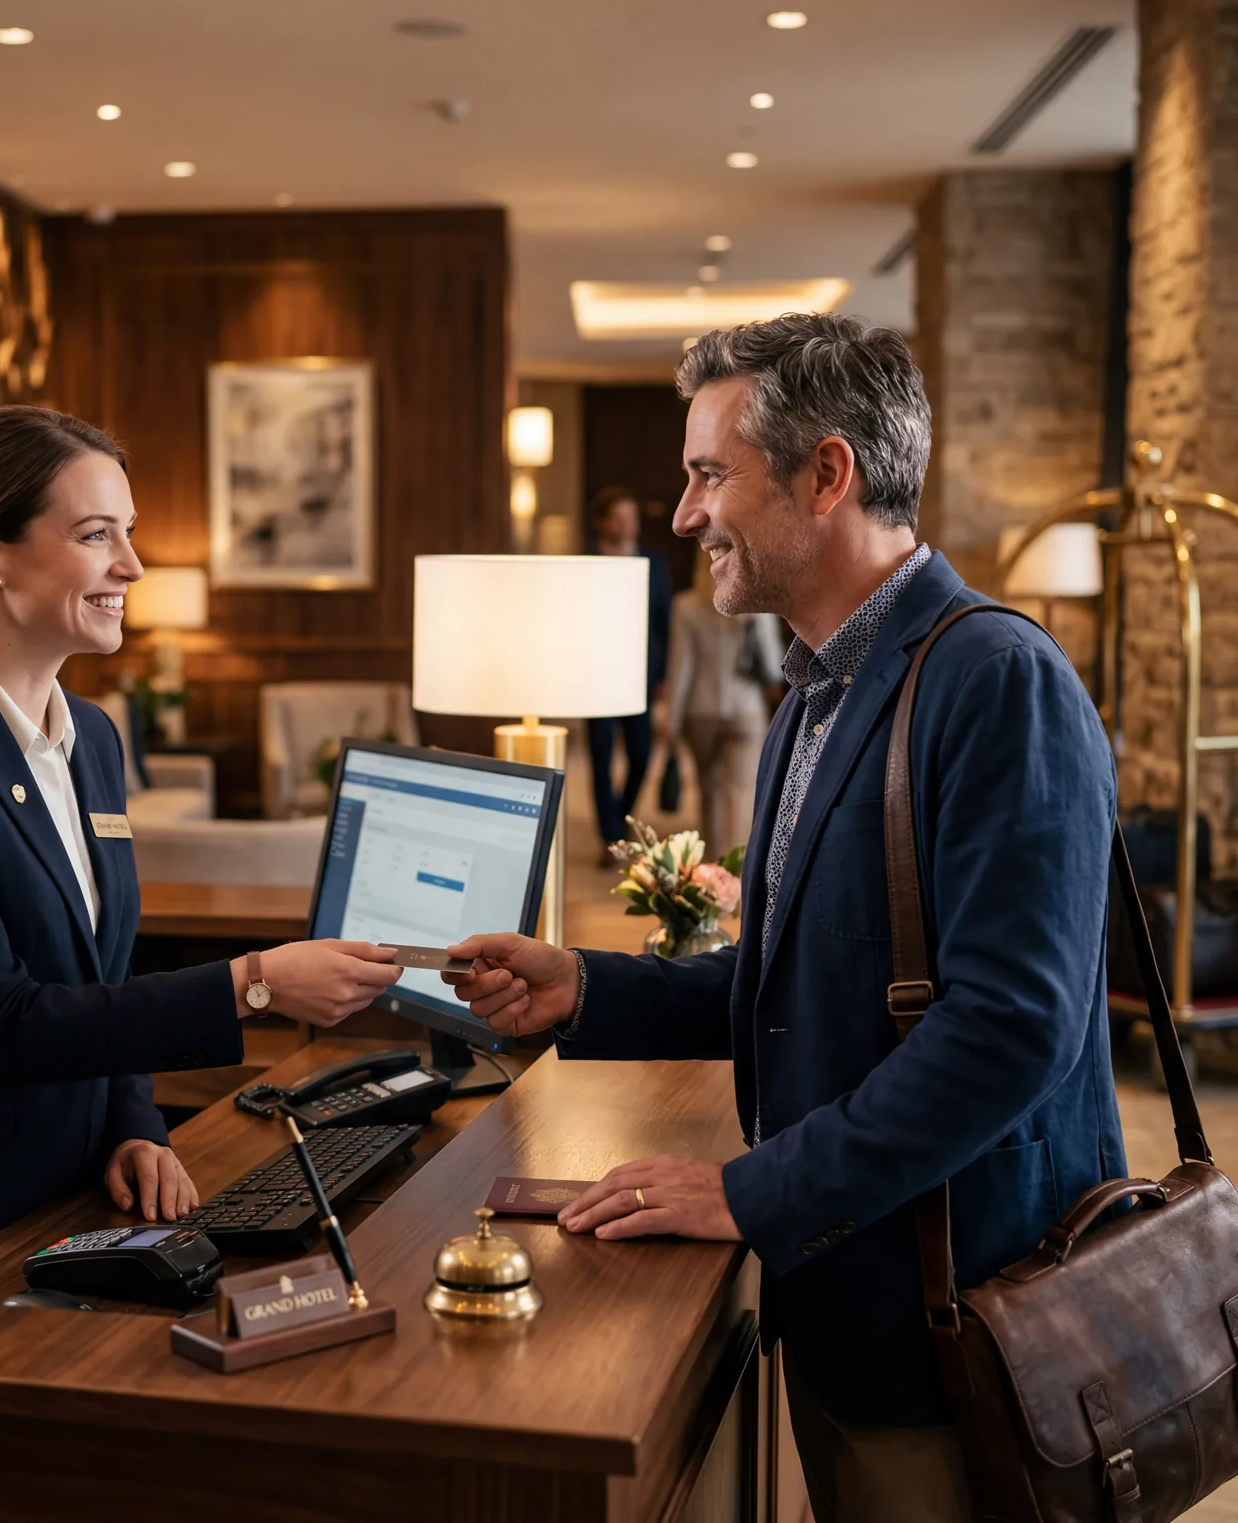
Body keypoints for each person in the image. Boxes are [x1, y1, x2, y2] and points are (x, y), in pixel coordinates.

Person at [445, 315, 1123, 1523]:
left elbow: (1011, 1032)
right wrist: (585, 988)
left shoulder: (994, 680)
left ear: (826, 475)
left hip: (965, 1333)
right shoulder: (815, 692)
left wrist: (747, 1191)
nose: (683, 514)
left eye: (709, 473)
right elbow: (799, 979)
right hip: (858, 1298)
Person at [0, 406, 402, 1294]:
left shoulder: (96, 737)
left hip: (72, 1203)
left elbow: (96, 980)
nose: (132, 565)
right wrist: (253, 983)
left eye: (128, 532)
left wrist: (134, 1120)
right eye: (94, 534)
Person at [664, 550, 783, 855]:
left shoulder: (686, 605)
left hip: (699, 710)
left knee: (709, 791)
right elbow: (771, 667)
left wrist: (671, 721)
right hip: (746, 711)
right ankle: (736, 875)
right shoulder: (758, 605)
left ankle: (714, 875)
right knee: (741, 793)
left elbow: (681, 668)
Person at [585, 486, 671, 857]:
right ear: (602, 522)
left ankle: (619, 819)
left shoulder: (654, 564)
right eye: (619, 518)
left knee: (641, 755)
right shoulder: (586, 564)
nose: (628, 525)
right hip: (596, 677)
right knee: (600, 758)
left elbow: (664, 625)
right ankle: (609, 836)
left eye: (631, 518)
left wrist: (665, 675)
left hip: (641, 676)